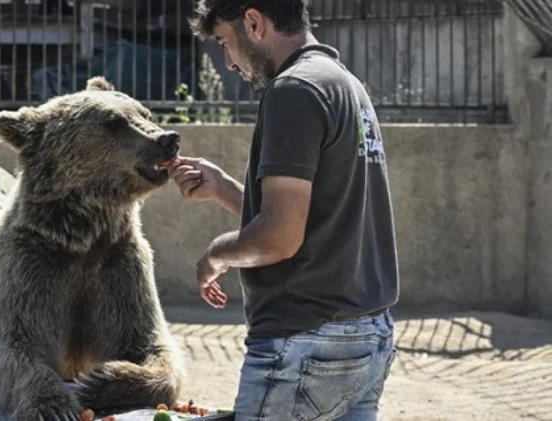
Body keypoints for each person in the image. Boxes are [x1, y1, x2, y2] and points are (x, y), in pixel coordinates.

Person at [167, 1, 400, 420]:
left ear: (254, 22)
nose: (228, 62)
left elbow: (279, 237)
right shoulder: (344, 85)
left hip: (306, 341)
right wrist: (222, 190)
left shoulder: (293, 90)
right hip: (366, 337)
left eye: (225, 42)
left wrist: (216, 254)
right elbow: (315, 222)